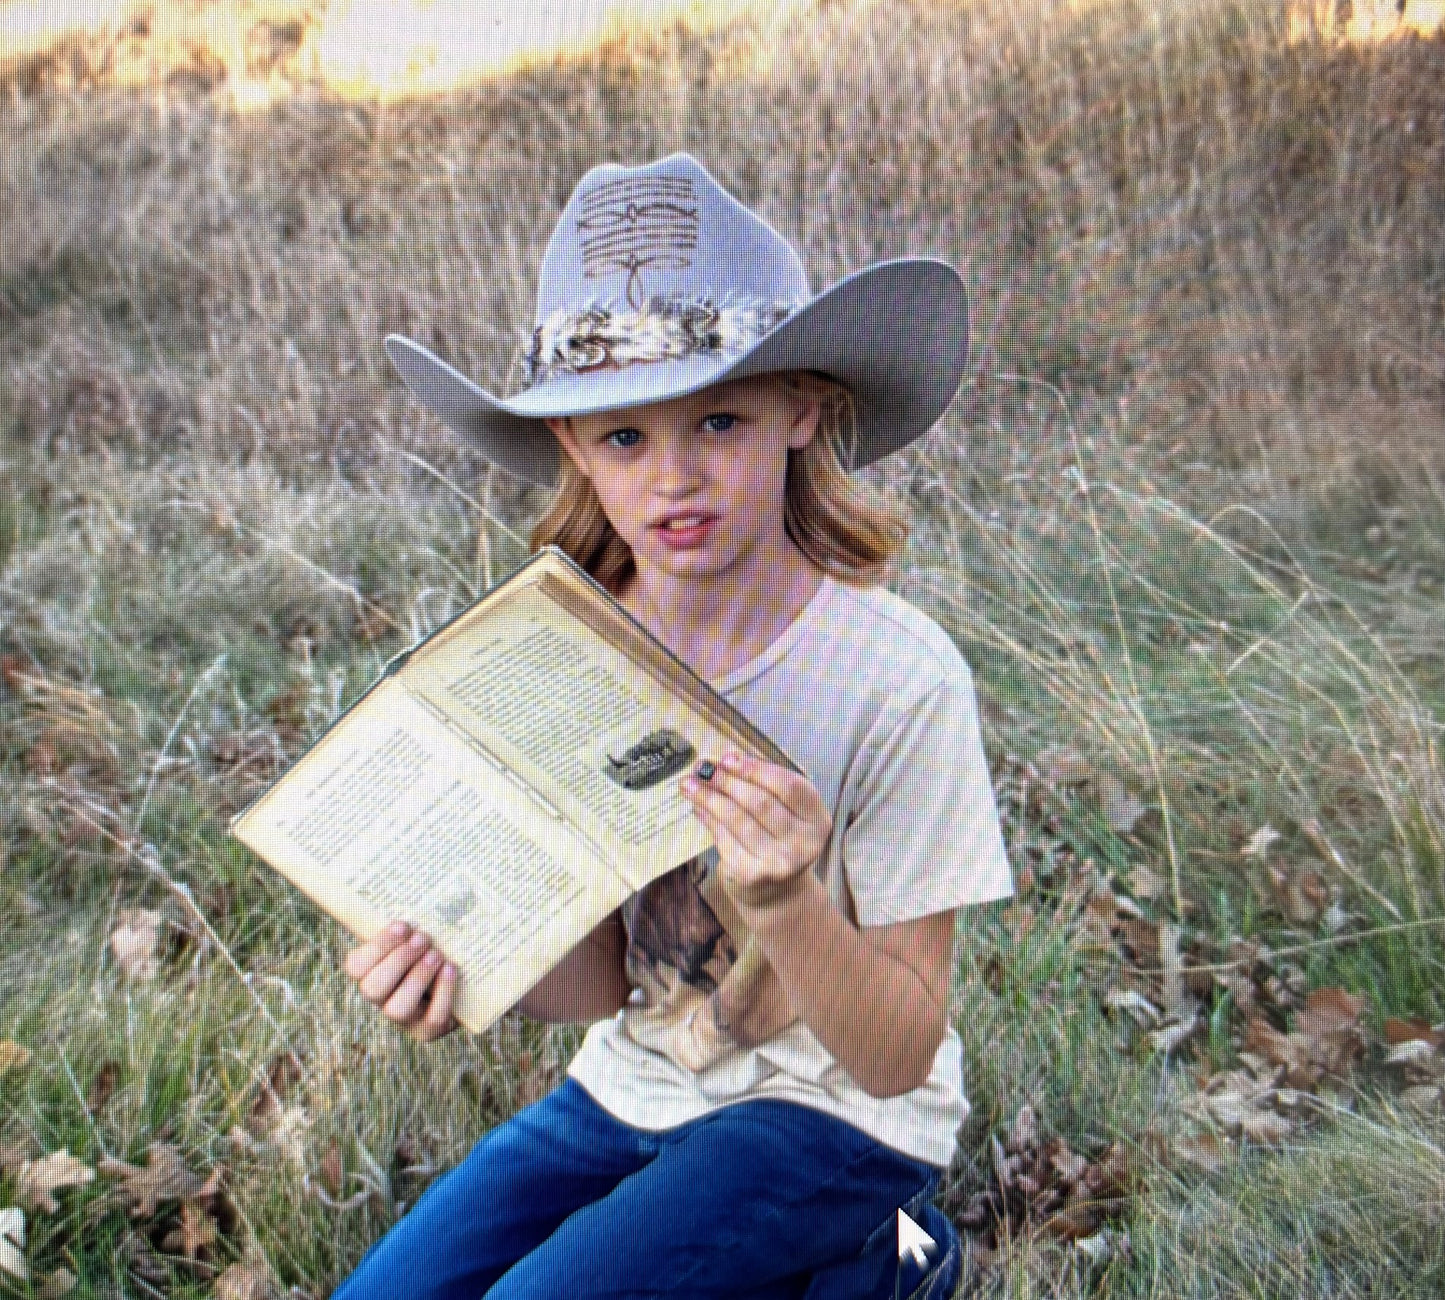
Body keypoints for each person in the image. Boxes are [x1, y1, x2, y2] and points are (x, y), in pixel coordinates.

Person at [334, 152, 1013, 1300]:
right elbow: (604, 987)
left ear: (801, 407)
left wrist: (785, 900)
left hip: (833, 1117)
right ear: (570, 449)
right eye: (623, 439)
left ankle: (889, 1252)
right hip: (628, 1089)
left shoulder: (897, 679)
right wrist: (461, 969)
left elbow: (896, 1057)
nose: (674, 481)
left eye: (717, 420)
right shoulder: (569, 655)